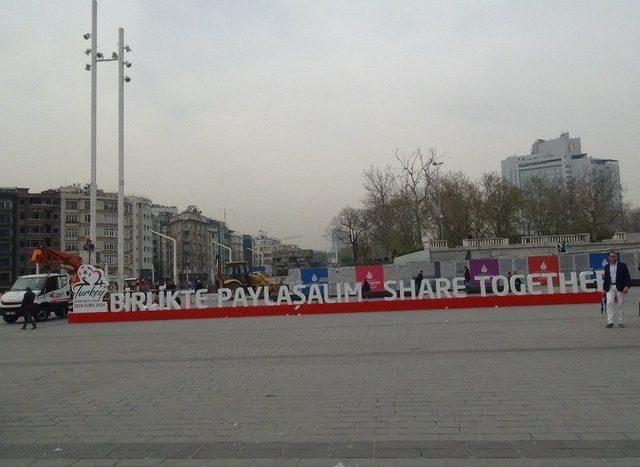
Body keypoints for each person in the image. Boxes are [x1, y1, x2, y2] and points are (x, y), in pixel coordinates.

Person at [602, 251, 631, 328]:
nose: (613, 258)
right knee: (609, 303)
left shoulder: (622, 265)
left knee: (620, 304)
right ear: (609, 258)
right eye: (611, 257)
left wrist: (627, 286)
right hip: (610, 287)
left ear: (616, 257)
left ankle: (621, 322)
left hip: (620, 287)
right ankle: (610, 321)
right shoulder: (607, 267)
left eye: (614, 256)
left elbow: (627, 276)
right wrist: (604, 289)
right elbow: (606, 279)